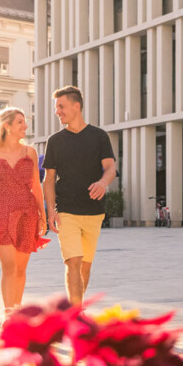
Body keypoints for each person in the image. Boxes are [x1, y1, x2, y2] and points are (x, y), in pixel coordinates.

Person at [0, 108, 49, 318]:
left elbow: (37, 186)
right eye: (20, 122)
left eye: (25, 122)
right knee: (9, 267)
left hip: (28, 212)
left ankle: (18, 314)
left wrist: (43, 215)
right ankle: (9, 316)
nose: (25, 126)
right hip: (3, 212)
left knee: (21, 269)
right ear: (7, 126)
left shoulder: (30, 152)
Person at [42, 85, 117, 306]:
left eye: (61, 106)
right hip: (66, 210)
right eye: (56, 107)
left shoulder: (99, 136)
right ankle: (75, 313)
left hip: (94, 211)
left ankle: (77, 306)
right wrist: (51, 211)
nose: (57, 112)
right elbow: (48, 180)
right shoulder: (55, 141)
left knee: (85, 265)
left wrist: (103, 182)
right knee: (72, 261)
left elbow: (111, 167)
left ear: (76, 106)